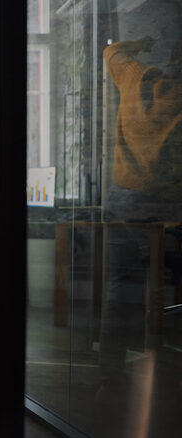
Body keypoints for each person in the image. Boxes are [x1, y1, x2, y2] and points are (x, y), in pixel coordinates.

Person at [96, 37, 182, 427]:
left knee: (120, 290)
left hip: (124, 202)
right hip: (169, 211)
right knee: (171, 291)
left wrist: (143, 42)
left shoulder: (136, 77)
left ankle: (109, 377)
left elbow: (111, 50)